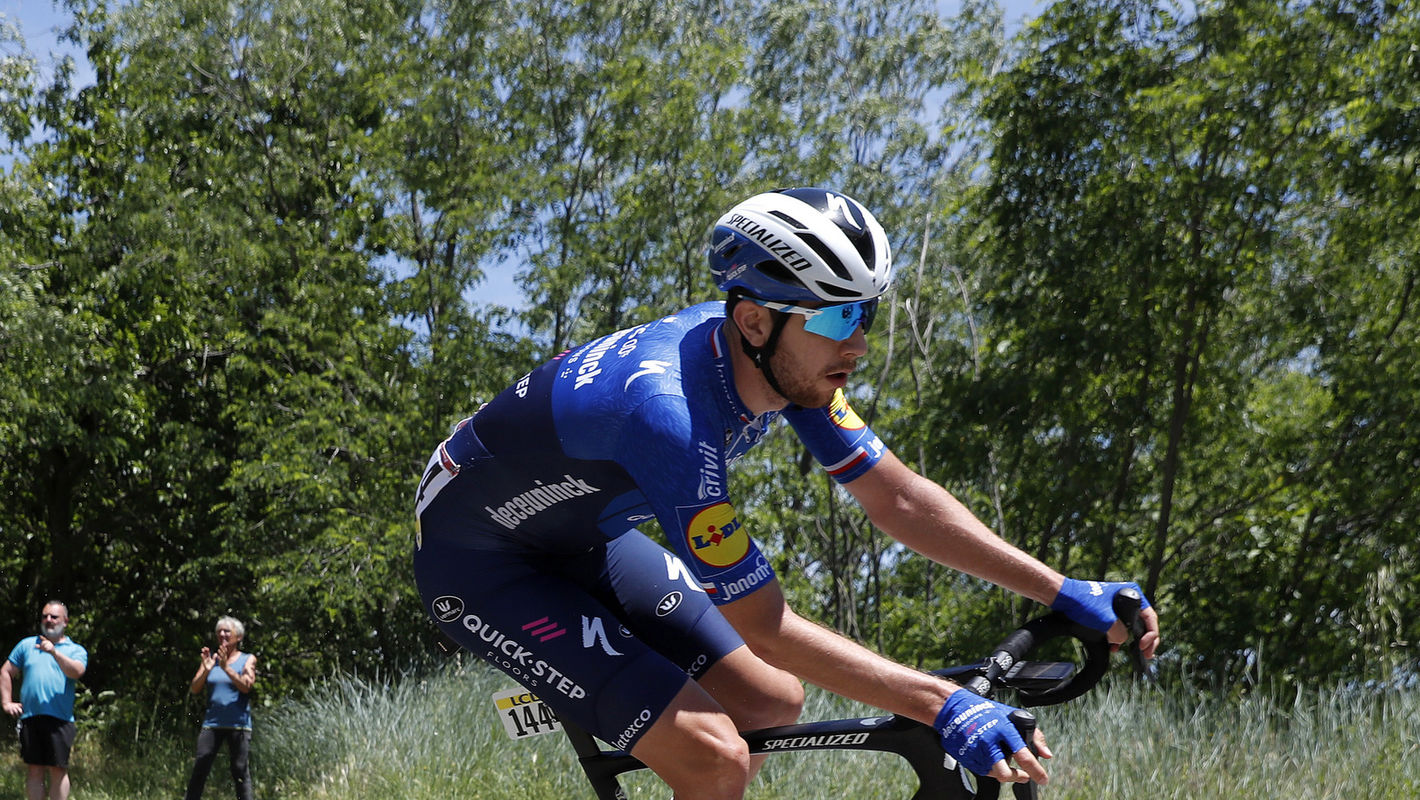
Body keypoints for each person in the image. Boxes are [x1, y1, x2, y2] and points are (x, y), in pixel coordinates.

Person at [413, 187, 1162, 800]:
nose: (859, 344)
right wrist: (940, 701)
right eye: (839, 316)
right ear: (754, 320)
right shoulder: (668, 414)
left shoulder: (789, 369)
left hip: (581, 534)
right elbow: (765, 623)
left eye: (866, 313)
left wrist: (1060, 588)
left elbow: (898, 500)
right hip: (481, 565)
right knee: (714, 756)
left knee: (772, 702)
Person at [1, 601, 88, 800]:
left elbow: (76, 672)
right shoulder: (26, 645)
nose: (48, 620)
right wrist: (7, 702)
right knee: (34, 769)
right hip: (31, 717)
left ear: (65, 621)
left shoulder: (75, 650)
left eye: (54, 617)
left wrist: (54, 652)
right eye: (45, 616)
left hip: (60, 719)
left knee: (58, 770)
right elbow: (6, 671)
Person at [182, 616, 257, 800]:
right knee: (201, 765)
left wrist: (226, 668)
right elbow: (194, 688)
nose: (222, 634)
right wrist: (207, 669)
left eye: (227, 631)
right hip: (212, 723)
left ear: (238, 637)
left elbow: (247, 686)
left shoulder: (247, 659)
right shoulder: (211, 660)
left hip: (238, 725)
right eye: (219, 631)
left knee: (240, 770)